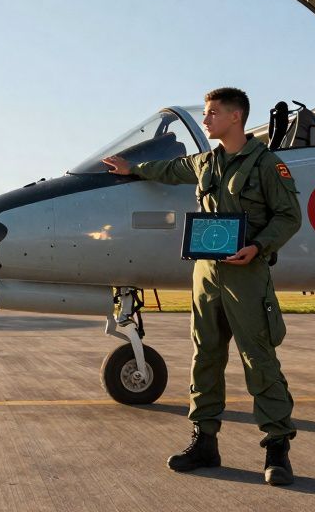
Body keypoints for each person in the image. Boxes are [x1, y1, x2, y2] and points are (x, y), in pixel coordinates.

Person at [103, 87, 302, 486]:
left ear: (235, 117)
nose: (207, 119)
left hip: (247, 273)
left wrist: (258, 246)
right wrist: (132, 169)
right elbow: (168, 169)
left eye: (213, 113)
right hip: (206, 275)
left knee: (258, 360)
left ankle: (277, 449)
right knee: (205, 358)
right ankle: (204, 441)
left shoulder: (267, 164)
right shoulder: (205, 162)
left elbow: (289, 216)